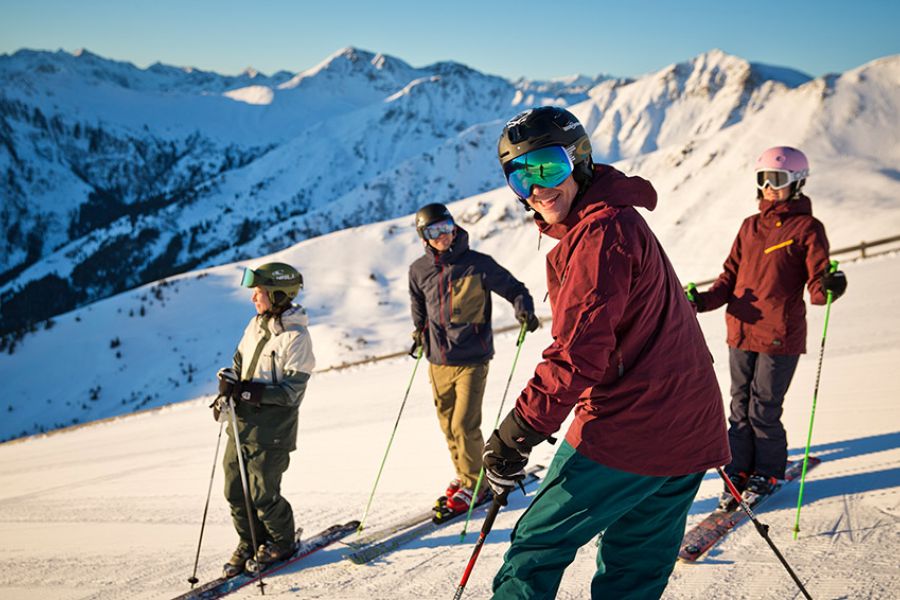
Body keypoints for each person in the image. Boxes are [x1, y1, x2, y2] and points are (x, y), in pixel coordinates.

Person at [482, 106, 730, 599]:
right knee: (633, 567)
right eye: (519, 175)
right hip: (689, 427)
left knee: (538, 546)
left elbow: (577, 354)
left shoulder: (599, 234)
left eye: (547, 167)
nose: (536, 188)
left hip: (631, 427)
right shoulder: (615, 221)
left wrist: (519, 431)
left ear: (579, 160)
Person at [686, 146, 847, 508]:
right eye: (764, 180)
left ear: (798, 182)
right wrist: (700, 302)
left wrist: (831, 286)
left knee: (764, 408)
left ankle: (768, 471)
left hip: (780, 334)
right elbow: (728, 280)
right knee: (739, 405)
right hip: (741, 329)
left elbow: (817, 288)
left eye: (778, 180)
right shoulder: (750, 226)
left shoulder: (807, 228)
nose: (770, 188)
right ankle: (739, 469)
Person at [408, 202, 539, 514]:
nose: (443, 235)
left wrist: (524, 309)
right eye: (434, 231)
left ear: (455, 227)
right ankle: (465, 474)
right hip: (438, 360)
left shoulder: (478, 264)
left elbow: (514, 288)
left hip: (472, 358)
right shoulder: (419, 270)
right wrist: (419, 333)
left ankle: (474, 486)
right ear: (424, 237)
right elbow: (418, 306)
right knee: (448, 426)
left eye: (447, 226)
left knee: (465, 424)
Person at [214, 262, 314, 577]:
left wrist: (247, 393)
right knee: (234, 490)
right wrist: (229, 381)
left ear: (278, 294)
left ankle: (282, 542)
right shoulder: (255, 325)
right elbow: (239, 361)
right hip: (240, 427)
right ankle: (251, 540)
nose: (253, 298)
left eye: (259, 292)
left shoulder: (297, 338)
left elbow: (290, 394)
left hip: (271, 431)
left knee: (262, 493)